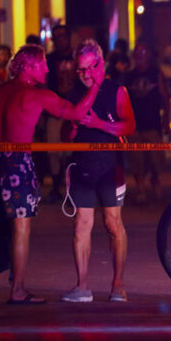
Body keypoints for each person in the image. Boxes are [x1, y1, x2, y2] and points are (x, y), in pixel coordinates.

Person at [0, 44, 100, 304]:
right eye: (42, 65)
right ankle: (17, 289)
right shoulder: (37, 94)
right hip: (16, 161)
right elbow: (77, 113)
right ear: (28, 67)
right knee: (21, 224)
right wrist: (95, 85)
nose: (47, 69)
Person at [60, 40, 136, 303]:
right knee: (81, 225)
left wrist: (99, 124)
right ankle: (82, 286)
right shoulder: (73, 93)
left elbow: (129, 126)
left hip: (111, 165)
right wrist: (69, 130)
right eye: (79, 70)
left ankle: (118, 284)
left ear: (100, 65)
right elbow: (64, 133)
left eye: (87, 69)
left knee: (113, 223)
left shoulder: (116, 91)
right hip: (82, 164)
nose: (83, 75)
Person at [125, 41, 171, 203]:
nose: (140, 56)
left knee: (155, 159)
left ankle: (156, 181)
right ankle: (141, 189)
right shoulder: (128, 75)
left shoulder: (156, 73)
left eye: (143, 52)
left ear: (149, 55)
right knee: (136, 159)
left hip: (152, 123)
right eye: (137, 52)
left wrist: (166, 120)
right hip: (133, 125)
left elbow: (165, 98)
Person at [43, 25, 76, 202]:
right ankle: (56, 187)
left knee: (71, 151)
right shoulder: (49, 59)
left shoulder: (77, 57)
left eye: (63, 36)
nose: (60, 40)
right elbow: (45, 83)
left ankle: (72, 188)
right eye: (57, 38)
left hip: (74, 111)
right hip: (54, 111)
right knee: (53, 151)